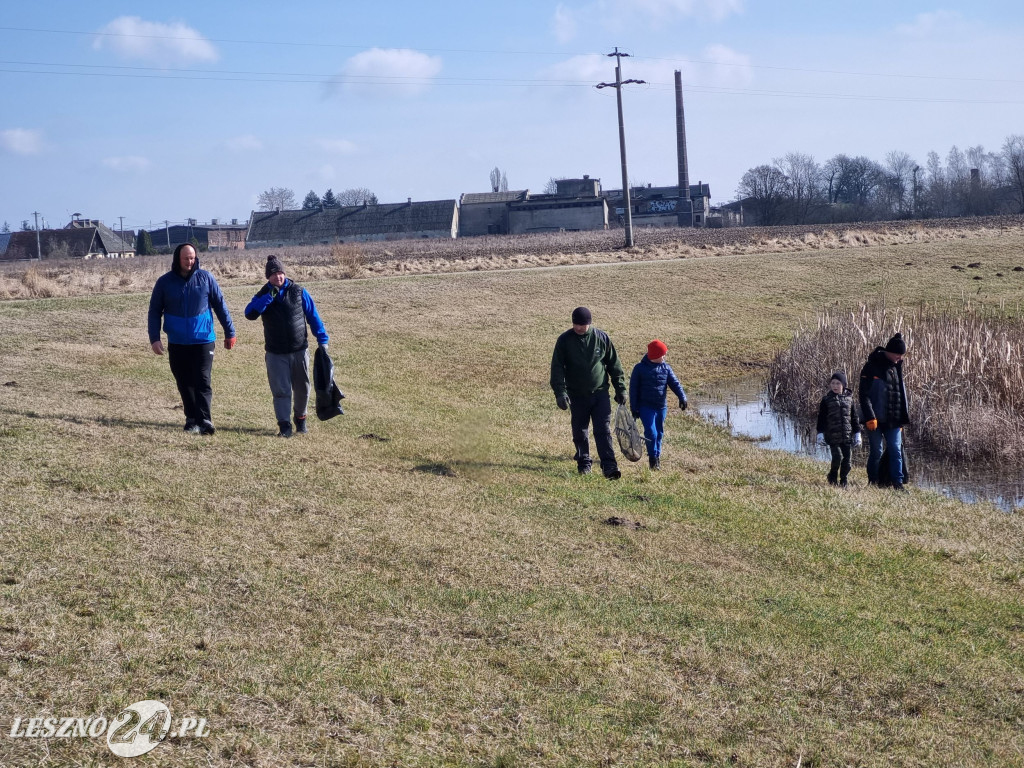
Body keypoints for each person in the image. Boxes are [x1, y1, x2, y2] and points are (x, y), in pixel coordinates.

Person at [148, 243, 236, 435]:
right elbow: (154, 311)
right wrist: (154, 338)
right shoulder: (164, 282)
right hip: (177, 341)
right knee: (184, 381)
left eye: (192, 258)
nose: (190, 262)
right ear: (177, 259)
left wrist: (230, 332)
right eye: (186, 258)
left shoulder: (206, 278)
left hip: (203, 339)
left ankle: (205, 420)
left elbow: (220, 305)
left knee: (202, 379)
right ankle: (191, 419)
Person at [245, 255, 329, 437]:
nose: (278, 277)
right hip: (276, 353)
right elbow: (249, 313)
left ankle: (301, 419)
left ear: (285, 273)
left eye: (280, 273)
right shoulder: (263, 294)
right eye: (274, 275)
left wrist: (323, 340)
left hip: (299, 350)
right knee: (281, 390)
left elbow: (313, 317)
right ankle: (284, 426)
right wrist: (268, 297)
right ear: (268, 277)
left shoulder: (299, 291)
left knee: (303, 388)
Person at [550, 306, 627, 479]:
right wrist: (560, 393)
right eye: (576, 324)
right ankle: (584, 463)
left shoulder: (601, 338)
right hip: (577, 395)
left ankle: (609, 467)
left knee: (603, 430)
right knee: (580, 431)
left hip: (600, 394)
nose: (579, 328)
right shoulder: (564, 340)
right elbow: (557, 368)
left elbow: (614, 365)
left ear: (589, 323)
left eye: (582, 325)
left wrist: (620, 389)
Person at [858, 332, 910, 492]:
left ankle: (898, 483)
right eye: (898, 354)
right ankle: (873, 481)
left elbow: (901, 394)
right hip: (874, 419)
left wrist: (901, 419)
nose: (900, 358)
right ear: (889, 351)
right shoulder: (871, 366)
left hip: (893, 420)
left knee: (895, 449)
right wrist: (869, 417)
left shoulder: (897, 367)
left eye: (901, 355)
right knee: (876, 450)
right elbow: (863, 395)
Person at [628, 339, 688, 471]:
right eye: (662, 354)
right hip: (646, 407)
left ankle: (657, 456)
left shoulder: (666, 368)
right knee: (651, 432)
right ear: (655, 356)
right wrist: (634, 407)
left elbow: (675, 383)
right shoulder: (639, 369)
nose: (664, 357)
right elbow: (633, 389)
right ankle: (653, 459)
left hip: (661, 407)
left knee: (659, 433)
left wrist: (682, 397)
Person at [815, 371, 862, 487]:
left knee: (847, 460)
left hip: (847, 435)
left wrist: (857, 433)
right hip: (832, 435)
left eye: (838, 383)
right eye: (833, 383)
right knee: (837, 457)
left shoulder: (850, 399)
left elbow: (854, 418)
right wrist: (820, 433)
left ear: (843, 385)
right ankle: (832, 476)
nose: (835, 386)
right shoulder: (826, 400)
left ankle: (844, 480)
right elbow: (821, 418)